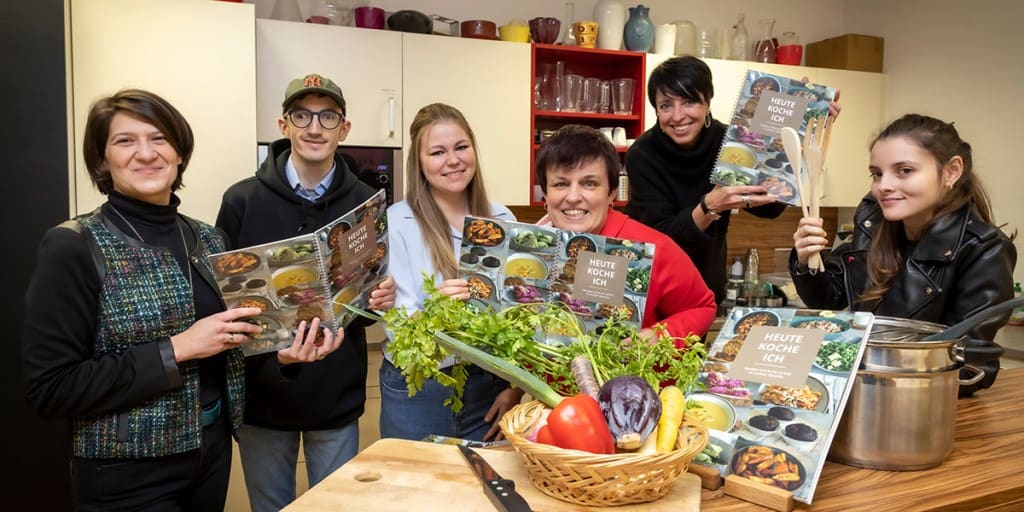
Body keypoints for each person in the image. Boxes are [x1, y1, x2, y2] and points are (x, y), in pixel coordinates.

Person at [20, 88, 305, 510]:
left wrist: (283, 358)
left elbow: (230, 351)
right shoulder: (74, 246)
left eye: (159, 138)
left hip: (211, 453)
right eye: (125, 141)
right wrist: (177, 349)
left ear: (179, 152)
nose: (146, 153)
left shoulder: (210, 239)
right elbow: (52, 388)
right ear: (102, 159)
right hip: (125, 472)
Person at [216, 73, 396, 511]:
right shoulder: (241, 200)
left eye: (327, 117)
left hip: (335, 390)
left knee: (335, 507)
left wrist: (379, 298)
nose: (315, 128)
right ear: (284, 125)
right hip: (263, 394)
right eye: (302, 116)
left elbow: (370, 289)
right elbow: (221, 299)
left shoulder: (367, 202)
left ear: (344, 129)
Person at [790, 113, 1017, 395]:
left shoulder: (983, 249)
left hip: (916, 405)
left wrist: (870, 372)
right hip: (861, 390)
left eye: (904, 170)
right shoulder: (874, 224)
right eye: (877, 174)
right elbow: (832, 302)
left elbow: (970, 364)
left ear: (951, 171)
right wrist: (806, 261)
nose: (884, 185)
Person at [624, 56, 840, 304]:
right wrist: (709, 206)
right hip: (656, 289)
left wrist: (797, 130)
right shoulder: (643, 154)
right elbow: (661, 241)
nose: (677, 116)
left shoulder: (731, 140)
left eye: (689, 101)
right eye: (665, 105)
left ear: (708, 101)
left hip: (705, 289)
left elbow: (770, 209)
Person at [384, 103, 521, 442]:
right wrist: (437, 308)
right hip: (419, 390)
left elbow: (519, 315)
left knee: (487, 476)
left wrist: (515, 387)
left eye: (461, 147)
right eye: (437, 152)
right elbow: (399, 329)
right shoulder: (396, 222)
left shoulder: (502, 218)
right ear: (418, 162)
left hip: (490, 388)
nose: (453, 160)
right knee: (418, 476)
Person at [537, 124, 717, 341]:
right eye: (560, 184)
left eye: (589, 184)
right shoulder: (533, 243)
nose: (573, 197)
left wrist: (658, 336)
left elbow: (702, 307)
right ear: (545, 194)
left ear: (611, 193)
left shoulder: (654, 248)